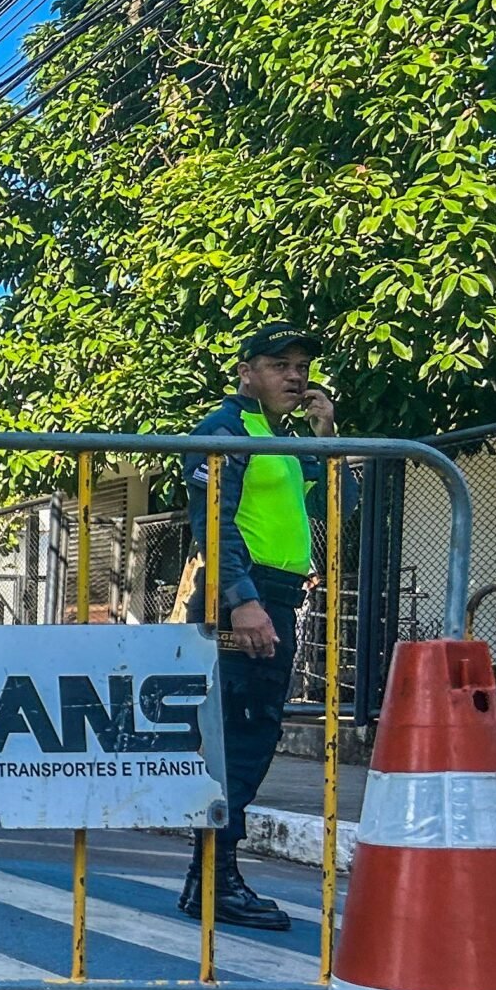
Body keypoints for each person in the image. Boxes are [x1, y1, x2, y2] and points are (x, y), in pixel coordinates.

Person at [179, 320, 340, 931]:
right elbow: (212, 522)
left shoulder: (283, 440)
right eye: (280, 365)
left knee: (248, 737)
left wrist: (327, 439)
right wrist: (241, 601)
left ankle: (209, 881)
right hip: (242, 600)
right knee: (239, 741)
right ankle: (217, 882)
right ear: (246, 373)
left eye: (301, 367)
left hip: (275, 599)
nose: (295, 377)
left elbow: (333, 507)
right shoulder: (225, 430)